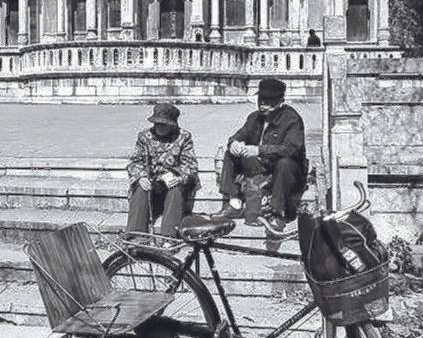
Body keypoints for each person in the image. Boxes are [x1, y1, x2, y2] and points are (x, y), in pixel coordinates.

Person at [211, 78, 307, 234]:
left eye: (269, 102)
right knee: (230, 154)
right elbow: (239, 135)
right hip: (260, 166)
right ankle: (234, 202)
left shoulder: (292, 119)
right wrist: (235, 143)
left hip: (286, 171)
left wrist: (259, 150)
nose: (263, 105)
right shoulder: (254, 117)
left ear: (281, 102)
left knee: (285, 163)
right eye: (261, 100)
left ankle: (277, 213)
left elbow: (292, 149)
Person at [126, 102, 200, 238]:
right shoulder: (144, 136)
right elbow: (134, 162)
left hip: (176, 180)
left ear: (172, 124)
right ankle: (135, 236)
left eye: (164, 124)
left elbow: (191, 166)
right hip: (154, 181)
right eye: (157, 123)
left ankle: (169, 237)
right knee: (141, 188)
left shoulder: (184, 137)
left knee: (175, 191)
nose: (160, 127)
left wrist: (178, 177)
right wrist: (141, 177)